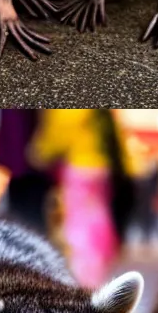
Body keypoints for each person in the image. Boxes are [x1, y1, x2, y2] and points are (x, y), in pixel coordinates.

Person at [30, 109, 127, 287]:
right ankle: (92, 275)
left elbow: (61, 130)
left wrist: (40, 151)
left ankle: (84, 279)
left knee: (80, 227)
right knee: (94, 221)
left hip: (81, 166)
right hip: (100, 166)